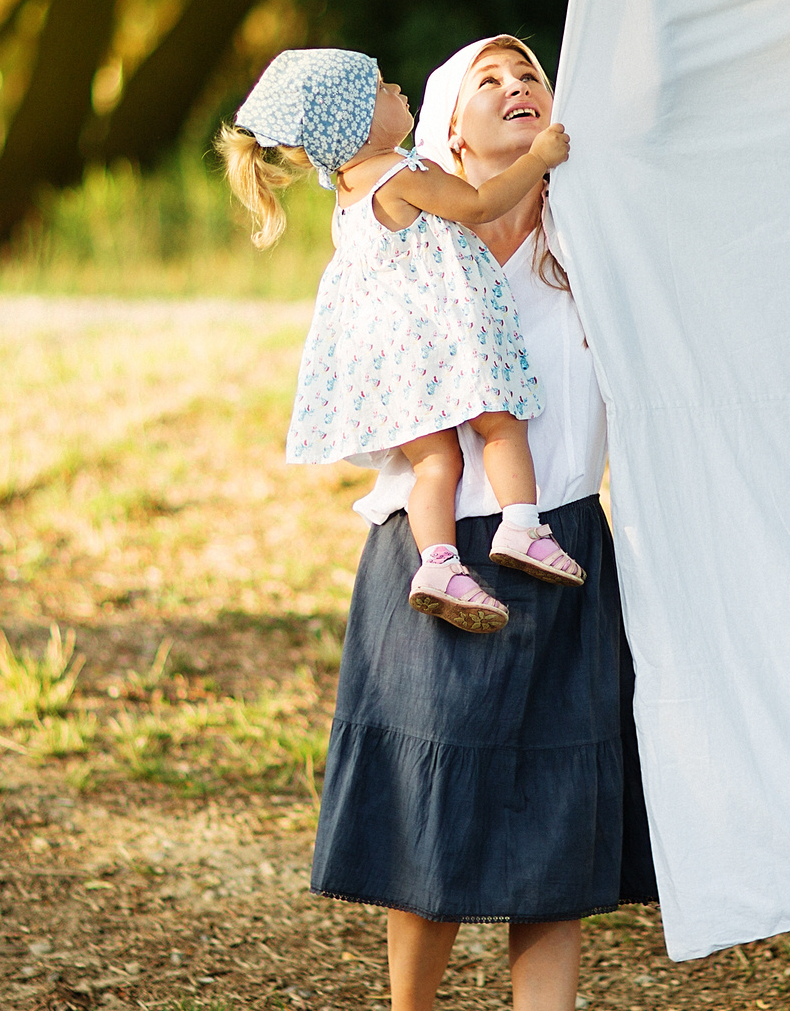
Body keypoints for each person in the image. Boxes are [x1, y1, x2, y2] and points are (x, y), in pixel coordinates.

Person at [301, 0, 654, 1011]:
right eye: (492, 76)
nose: (520, 84)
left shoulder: (591, 249)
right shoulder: (414, 241)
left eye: (534, 73)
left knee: (558, 848)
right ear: (447, 129)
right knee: (436, 827)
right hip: (434, 556)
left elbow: (658, 67)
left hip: (564, 549)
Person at [218, 48, 588, 632]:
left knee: (435, 463)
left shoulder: (346, 194)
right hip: (441, 348)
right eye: (383, 88)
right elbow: (477, 205)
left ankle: (439, 563)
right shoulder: (400, 174)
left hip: (392, 368)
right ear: (359, 123)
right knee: (501, 424)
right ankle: (521, 526)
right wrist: (539, 158)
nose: (397, 91)